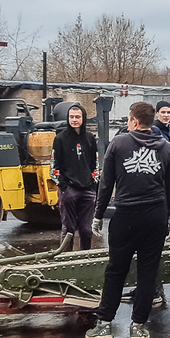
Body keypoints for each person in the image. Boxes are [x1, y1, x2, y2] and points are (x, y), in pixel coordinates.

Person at [86, 102, 170, 338]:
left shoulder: (118, 144)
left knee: (116, 270)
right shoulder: (166, 147)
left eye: (129, 119)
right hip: (155, 215)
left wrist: (98, 214)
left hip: (126, 215)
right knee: (148, 273)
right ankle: (137, 327)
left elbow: (106, 183)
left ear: (135, 121)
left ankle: (104, 325)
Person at [50, 103, 98, 250]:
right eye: (71, 117)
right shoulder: (60, 139)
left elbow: (95, 163)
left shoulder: (90, 139)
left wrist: (93, 183)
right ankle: (66, 258)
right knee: (68, 230)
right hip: (69, 190)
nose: (74, 120)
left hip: (87, 190)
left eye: (77, 117)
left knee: (86, 230)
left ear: (83, 118)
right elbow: (54, 165)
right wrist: (63, 186)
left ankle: (86, 257)